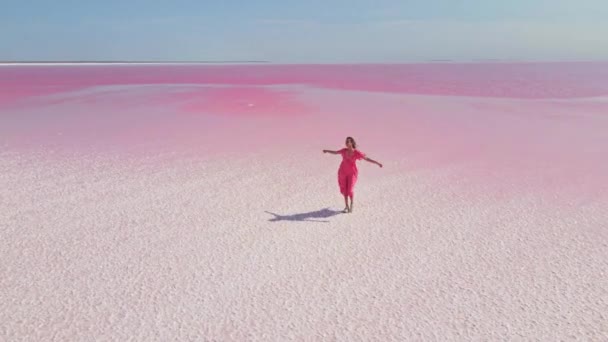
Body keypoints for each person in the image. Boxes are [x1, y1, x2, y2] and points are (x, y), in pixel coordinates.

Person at [323, 136, 383, 213]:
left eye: (349, 141)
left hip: (352, 173)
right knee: (344, 189)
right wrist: (327, 151)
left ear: (352, 143)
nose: (347, 143)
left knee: (350, 189)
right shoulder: (344, 151)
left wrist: (377, 163)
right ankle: (346, 206)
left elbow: (366, 159)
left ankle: (351, 204)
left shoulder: (356, 153)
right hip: (342, 172)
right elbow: (335, 152)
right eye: (346, 142)